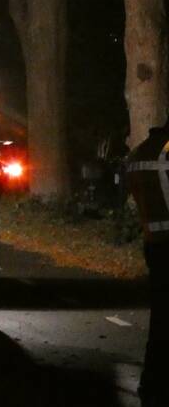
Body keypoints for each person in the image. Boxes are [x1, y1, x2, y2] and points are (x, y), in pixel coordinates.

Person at [125, 122, 169, 407]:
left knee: (162, 320)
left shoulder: (140, 152)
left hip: (154, 242)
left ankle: (153, 382)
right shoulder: (166, 152)